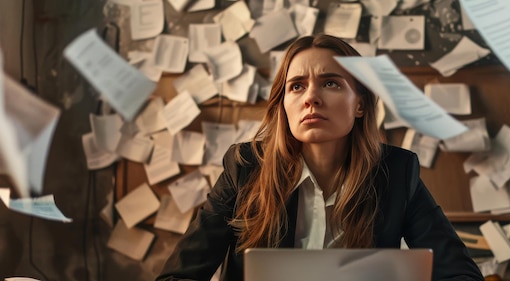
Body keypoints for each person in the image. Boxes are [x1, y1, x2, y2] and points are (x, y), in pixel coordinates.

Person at [157, 34, 484, 281]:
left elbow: (460, 274)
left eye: (330, 83)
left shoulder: (397, 172)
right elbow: (178, 276)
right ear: (283, 105)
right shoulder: (244, 168)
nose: (311, 97)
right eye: (297, 86)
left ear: (360, 104)